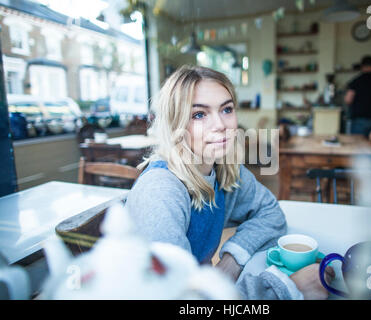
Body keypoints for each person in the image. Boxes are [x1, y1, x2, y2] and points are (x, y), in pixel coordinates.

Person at [125, 65, 334, 299]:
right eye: (199, 114)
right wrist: (287, 287)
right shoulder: (161, 191)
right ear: (175, 124)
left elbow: (271, 214)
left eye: (226, 109)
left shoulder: (224, 170)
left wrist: (231, 262)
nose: (221, 125)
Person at [344, 55, 371, 137]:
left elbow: (348, 99)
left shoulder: (357, 81)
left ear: (362, 66)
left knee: (357, 146)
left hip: (359, 119)